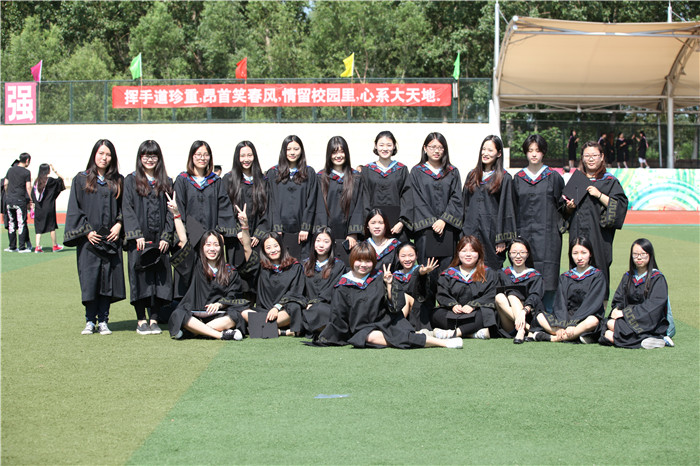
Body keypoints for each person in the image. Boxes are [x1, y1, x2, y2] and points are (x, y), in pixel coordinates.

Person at [314, 241, 462, 349]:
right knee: (367, 337)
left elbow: (396, 307)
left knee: (393, 333)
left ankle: (442, 343)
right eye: (359, 260)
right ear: (352, 260)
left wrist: (389, 285)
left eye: (368, 261)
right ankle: (420, 339)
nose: (363, 265)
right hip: (362, 328)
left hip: (386, 322)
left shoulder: (381, 277)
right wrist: (332, 335)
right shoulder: (343, 284)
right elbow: (339, 315)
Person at [64, 139, 125, 335]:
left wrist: (119, 224)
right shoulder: (81, 179)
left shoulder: (118, 180)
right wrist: (87, 231)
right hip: (89, 241)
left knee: (107, 280)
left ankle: (104, 320)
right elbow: (75, 208)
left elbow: (125, 207)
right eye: (101, 153)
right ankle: (90, 320)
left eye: (108, 154)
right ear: (94, 155)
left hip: (111, 239)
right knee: (90, 280)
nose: (104, 158)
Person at [564, 141, 628, 301]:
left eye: (594, 155)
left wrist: (599, 195)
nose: (591, 159)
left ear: (602, 157)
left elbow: (620, 207)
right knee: (577, 268)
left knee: (600, 270)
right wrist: (569, 207)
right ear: (582, 158)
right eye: (587, 155)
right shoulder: (577, 180)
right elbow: (563, 211)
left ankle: (599, 310)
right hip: (577, 234)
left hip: (599, 237)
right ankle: (575, 309)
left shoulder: (610, 181)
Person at [122, 140, 174, 335]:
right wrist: (136, 234)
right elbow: (127, 208)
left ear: (159, 158)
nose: (150, 159)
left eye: (153, 156)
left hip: (160, 240)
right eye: (146, 155)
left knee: (159, 280)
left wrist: (166, 236)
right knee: (140, 279)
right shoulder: (131, 180)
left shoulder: (166, 182)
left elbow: (171, 211)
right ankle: (141, 320)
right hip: (140, 241)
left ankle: (154, 319)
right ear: (140, 157)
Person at [173, 140, 236, 296]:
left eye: (206, 155)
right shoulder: (182, 180)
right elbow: (178, 208)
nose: (202, 158)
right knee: (189, 276)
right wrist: (181, 237)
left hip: (210, 239)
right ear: (192, 157)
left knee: (210, 276)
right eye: (198, 154)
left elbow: (224, 208)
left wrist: (220, 233)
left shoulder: (216, 181)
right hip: (189, 238)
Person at [512, 135, 564, 312]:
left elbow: (562, 207)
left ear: (543, 152)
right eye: (530, 150)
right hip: (524, 235)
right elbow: (513, 209)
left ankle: (548, 314)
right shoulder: (518, 179)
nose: (534, 154)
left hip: (549, 237)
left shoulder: (554, 177)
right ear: (525, 153)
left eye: (538, 150)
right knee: (524, 275)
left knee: (548, 277)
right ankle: (525, 316)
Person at [168, 230, 248, 341]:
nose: (212, 249)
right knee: (178, 314)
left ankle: (193, 332)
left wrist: (219, 304)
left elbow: (233, 295)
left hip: (216, 316)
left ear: (221, 247)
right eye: (208, 245)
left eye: (216, 245)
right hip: (194, 314)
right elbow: (183, 241)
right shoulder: (195, 265)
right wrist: (177, 218)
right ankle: (221, 335)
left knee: (235, 316)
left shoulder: (230, 271)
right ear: (202, 247)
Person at [528, 236, 605, 343]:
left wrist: (574, 322)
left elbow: (591, 303)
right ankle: (572, 335)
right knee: (540, 316)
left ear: (590, 254)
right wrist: (562, 324)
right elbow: (560, 303)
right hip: (566, 317)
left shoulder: (597, 276)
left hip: (586, 316)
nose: (579, 257)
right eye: (575, 253)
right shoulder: (565, 277)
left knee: (592, 321)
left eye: (584, 253)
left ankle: (552, 337)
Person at [408, 132, 463, 273]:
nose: (436, 151)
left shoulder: (452, 172)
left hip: (447, 229)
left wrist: (443, 220)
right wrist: (433, 222)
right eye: (432, 147)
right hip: (425, 229)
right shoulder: (416, 172)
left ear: (445, 149)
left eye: (440, 147)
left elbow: (456, 198)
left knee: (447, 271)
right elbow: (416, 199)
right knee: (427, 271)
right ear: (425, 148)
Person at [602, 239, 669, 349]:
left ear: (650, 255)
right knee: (607, 332)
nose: (639, 257)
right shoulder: (628, 276)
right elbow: (619, 299)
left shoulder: (657, 278)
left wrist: (625, 313)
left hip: (649, 321)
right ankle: (646, 340)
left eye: (643, 254)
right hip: (628, 320)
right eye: (635, 254)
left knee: (611, 326)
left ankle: (652, 337)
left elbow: (653, 306)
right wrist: (616, 309)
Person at [431, 235, 502, 340]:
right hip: (454, 313)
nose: (468, 254)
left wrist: (474, 305)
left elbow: (491, 294)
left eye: (473, 251)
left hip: (476, 313)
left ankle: (456, 333)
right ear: (458, 253)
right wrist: (453, 305)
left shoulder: (488, 273)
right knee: (436, 314)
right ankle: (471, 333)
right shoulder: (448, 274)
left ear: (479, 253)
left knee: (488, 314)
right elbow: (442, 294)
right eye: (464, 251)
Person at [462, 135, 517, 270]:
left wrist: (502, 238)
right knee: (470, 267)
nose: (485, 153)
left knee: (491, 270)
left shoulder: (504, 178)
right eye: (484, 149)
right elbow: (464, 205)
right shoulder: (472, 175)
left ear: (499, 153)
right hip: (471, 231)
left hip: (491, 233)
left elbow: (507, 209)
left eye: (490, 150)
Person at [243, 232, 306, 336]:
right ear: (264, 251)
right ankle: (281, 331)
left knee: (296, 308)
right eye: (268, 247)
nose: (273, 250)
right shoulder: (261, 267)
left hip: (284, 311)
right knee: (242, 312)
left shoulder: (295, 267)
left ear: (281, 246)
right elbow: (247, 249)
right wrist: (245, 227)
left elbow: (295, 292)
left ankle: (259, 326)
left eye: (276, 246)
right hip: (264, 311)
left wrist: (277, 307)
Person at [223, 141, 269, 276]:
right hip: (236, 239)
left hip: (257, 239)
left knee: (258, 274)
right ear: (237, 158)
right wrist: (238, 231)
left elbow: (268, 209)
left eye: (249, 155)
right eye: (242, 156)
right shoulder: (229, 179)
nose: (246, 159)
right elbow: (225, 209)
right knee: (237, 275)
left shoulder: (262, 180)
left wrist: (259, 233)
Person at [266, 135, 317, 257]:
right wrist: (276, 226)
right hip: (280, 232)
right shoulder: (273, 173)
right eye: (288, 149)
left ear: (301, 150)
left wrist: (306, 226)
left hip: (302, 232)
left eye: (296, 149)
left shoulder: (309, 173)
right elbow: (271, 201)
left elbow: (312, 201)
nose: (292, 152)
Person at [314, 136, 363, 257]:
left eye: (341, 151)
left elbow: (360, 205)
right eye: (334, 152)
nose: (338, 156)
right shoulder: (320, 177)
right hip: (327, 232)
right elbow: (319, 206)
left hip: (349, 235)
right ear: (329, 155)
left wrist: (353, 232)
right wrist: (323, 233)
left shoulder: (356, 177)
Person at [361, 131, 411, 241]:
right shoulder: (367, 170)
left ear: (394, 146)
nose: (385, 148)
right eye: (381, 145)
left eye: (389, 145)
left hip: (397, 226)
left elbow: (407, 198)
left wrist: (401, 222)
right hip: (374, 226)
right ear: (375, 146)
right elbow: (364, 198)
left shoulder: (402, 169)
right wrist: (369, 222)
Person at [495, 238, 544, 344]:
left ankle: (521, 330)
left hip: (527, 315)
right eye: (514, 252)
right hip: (508, 322)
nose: (518, 256)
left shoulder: (535, 276)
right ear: (509, 254)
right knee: (499, 297)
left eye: (522, 252)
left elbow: (535, 296)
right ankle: (528, 329)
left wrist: (523, 311)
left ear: (528, 254)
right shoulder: (502, 273)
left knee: (512, 296)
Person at [301, 228, 346, 336]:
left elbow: (334, 290)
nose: (321, 245)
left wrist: (315, 302)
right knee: (294, 309)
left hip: (326, 306)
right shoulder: (304, 265)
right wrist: (306, 303)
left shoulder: (338, 266)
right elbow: (299, 289)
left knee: (321, 310)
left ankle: (300, 329)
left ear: (332, 244)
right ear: (313, 243)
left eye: (326, 242)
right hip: (307, 306)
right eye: (318, 241)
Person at [389, 242, 438, 331]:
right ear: (398, 257)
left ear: (416, 256)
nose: (407, 259)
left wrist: (422, 273)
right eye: (403, 256)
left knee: (405, 297)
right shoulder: (395, 275)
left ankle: (396, 327)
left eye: (411, 255)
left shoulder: (421, 271)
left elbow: (424, 292)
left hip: (421, 313)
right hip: (401, 311)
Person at [31, 163, 66, 253]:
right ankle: (55, 246)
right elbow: (61, 179)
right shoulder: (50, 180)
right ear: (48, 170)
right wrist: (55, 171)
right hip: (49, 207)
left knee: (38, 227)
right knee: (51, 226)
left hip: (38, 208)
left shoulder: (36, 181)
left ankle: (37, 247)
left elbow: (33, 195)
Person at [3, 152, 33, 253]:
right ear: (27, 160)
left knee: (11, 223)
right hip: (20, 200)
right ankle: (22, 247)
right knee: (21, 223)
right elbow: (28, 187)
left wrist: (8, 194)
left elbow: (5, 183)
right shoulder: (26, 172)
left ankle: (12, 246)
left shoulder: (10, 170)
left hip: (9, 200)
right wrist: (31, 199)